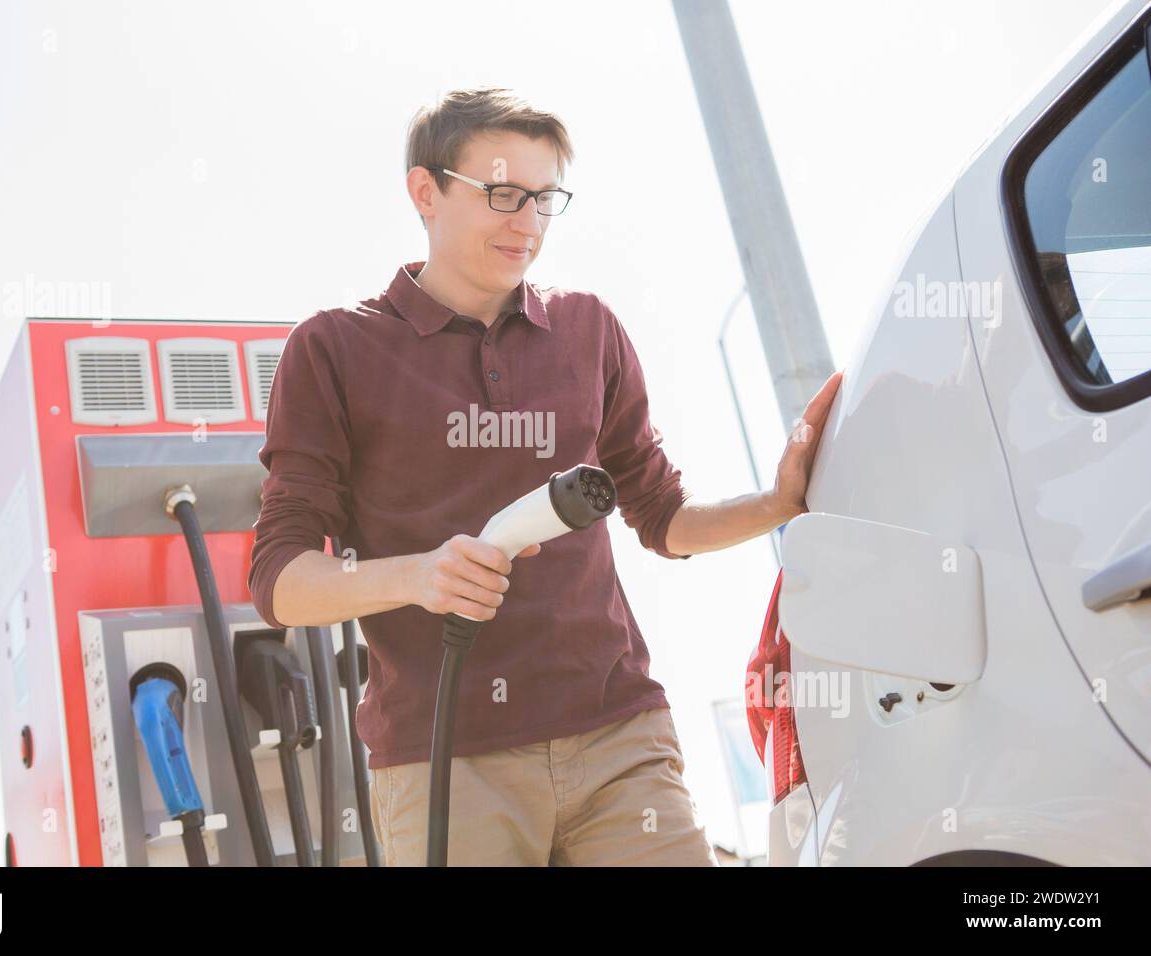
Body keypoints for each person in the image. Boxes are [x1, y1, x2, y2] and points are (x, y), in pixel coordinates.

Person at [248, 87, 843, 866]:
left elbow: (662, 516)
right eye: (501, 194)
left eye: (543, 198)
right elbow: (279, 579)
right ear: (425, 192)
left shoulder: (588, 328)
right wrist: (423, 577)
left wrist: (778, 503)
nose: (526, 222)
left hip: (620, 739)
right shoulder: (333, 350)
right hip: (446, 767)